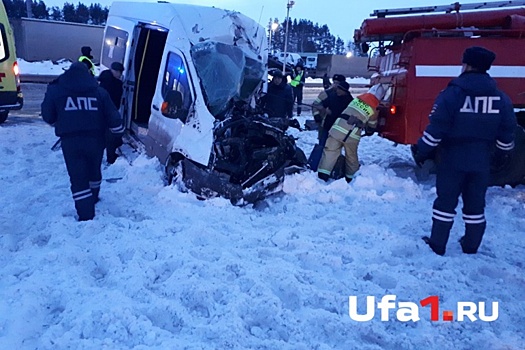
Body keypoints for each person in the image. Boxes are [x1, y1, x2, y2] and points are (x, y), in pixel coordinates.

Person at [412, 46, 517, 256]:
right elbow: (508, 131)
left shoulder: (452, 94)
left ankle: (438, 244)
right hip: (482, 160)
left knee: (445, 203)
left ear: (466, 65)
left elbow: (437, 128)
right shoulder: (500, 98)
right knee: (476, 205)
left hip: (453, 159)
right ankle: (470, 245)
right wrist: (502, 154)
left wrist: (422, 150)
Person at [41, 62, 124, 221]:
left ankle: (86, 215)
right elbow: (113, 116)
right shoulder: (99, 92)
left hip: (70, 142)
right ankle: (93, 198)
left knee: (78, 178)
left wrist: (60, 122)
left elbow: (47, 115)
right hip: (95, 140)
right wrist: (117, 133)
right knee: (94, 171)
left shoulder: (55, 90)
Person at [318, 84, 386, 182]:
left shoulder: (356, 100)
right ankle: (351, 178)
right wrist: (370, 129)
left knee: (330, 151)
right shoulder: (374, 108)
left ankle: (322, 175)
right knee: (351, 157)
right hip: (351, 134)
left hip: (336, 129)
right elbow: (372, 125)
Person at [308, 80, 353, 171]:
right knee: (322, 145)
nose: (337, 90)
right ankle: (314, 166)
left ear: (344, 91)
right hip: (327, 126)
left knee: (333, 149)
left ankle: (332, 167)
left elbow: (349, 115)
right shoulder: (332, 96)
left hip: (339, 129)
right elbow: (321, 105)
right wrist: (324, 110)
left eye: (339, 89)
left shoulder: (350, 101)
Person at [98, 62, 125, 164]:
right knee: (111, 136)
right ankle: (111, 158)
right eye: (119, 72)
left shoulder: (103, 80)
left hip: (101, 112)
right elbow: (115, 98)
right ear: (114, 71)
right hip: (109, 113)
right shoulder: (114, 84)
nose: (120, 74)